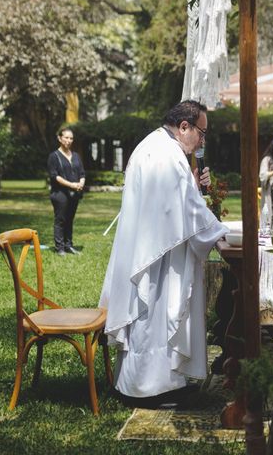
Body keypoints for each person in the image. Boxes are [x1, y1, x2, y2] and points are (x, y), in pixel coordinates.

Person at [98, 100, 228, 401]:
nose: (202, 141)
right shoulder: (167, 155)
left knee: (153, 316)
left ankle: (153, 382)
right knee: (155, 313)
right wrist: (221, 233)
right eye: (202, 132)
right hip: (158, 253)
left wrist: (194, 186)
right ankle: (151, 387)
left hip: (152, 243)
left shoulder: (152, 144)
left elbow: (175, 200)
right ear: (184, 127)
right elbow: (185, 207)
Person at [47, 128, 85, 256]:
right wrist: (71, 185)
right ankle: (60, 248)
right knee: (61, 220)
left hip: (74, 194)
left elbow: (82, 173)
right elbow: (54, 176)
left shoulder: (76, 156)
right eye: (66, 137)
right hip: (60, 194)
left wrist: (81, 183)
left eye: (71, 138)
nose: (69, 140)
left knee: (70, 219)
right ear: (60, 138)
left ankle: (69, 245)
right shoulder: (54, 156)